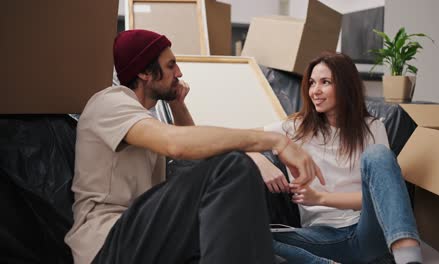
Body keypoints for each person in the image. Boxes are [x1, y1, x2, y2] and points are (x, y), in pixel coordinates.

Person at [64, 29, 324, 264]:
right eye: (171, 65)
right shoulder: (110, 102)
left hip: (148, 238)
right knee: (233, 167)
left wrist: (178, 105)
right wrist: (274, 141)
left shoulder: (144, 117)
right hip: (107, 242)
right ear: (144, 72)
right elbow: (175, 144)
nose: (179, 73)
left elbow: (195, 160)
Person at [249, 52, 423, 264]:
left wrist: (321, 198)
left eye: (325, 82)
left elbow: (383, 197)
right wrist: (259, 159)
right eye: (312, 83)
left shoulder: (372, 127)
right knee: (249, 235)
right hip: (322, 239)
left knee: (378, 155)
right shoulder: (294, 128)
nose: (315, 91)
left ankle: (409, 260)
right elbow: (237, 137)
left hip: (367, 230)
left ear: (346, 86)